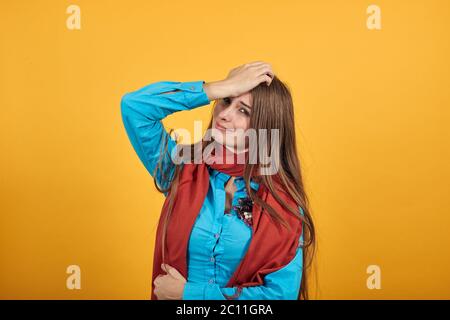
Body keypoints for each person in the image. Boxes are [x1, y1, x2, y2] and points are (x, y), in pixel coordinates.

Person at [120, 61, 315, 300]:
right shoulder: (180, 169)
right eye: (225, 101)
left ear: (264, 126)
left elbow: (280, 296)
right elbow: (135, 107)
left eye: (243, 111)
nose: (224, 115)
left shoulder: (282, 202)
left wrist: (189, 294)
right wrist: (217, 88)